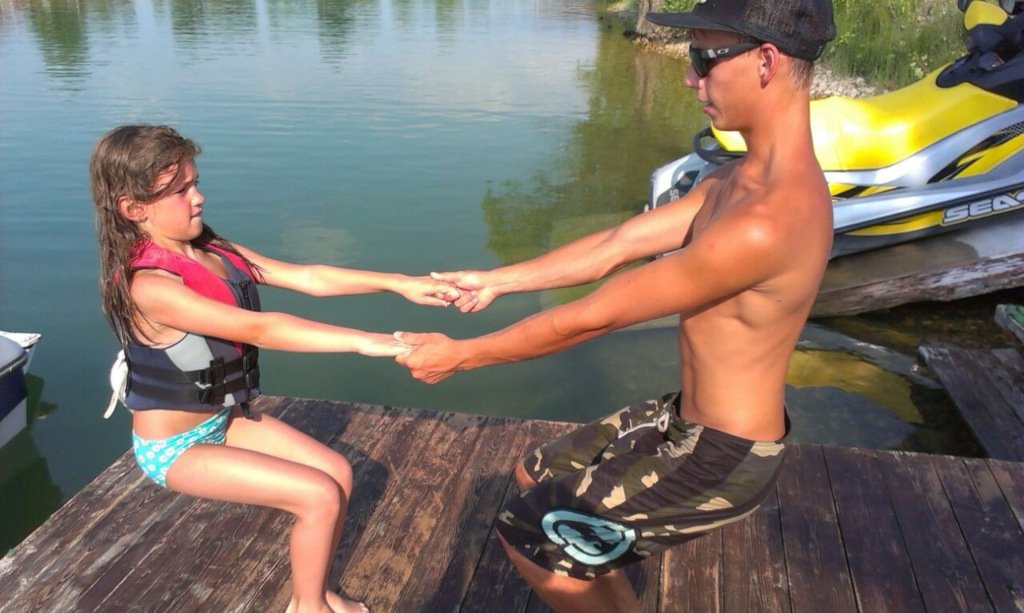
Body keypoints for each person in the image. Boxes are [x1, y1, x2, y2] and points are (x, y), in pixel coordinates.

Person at [395, 1, 836, 611]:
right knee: (536, 477)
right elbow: (617, 245)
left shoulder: (768, 220)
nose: (691, 78)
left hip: (725, 455)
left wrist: (460, 356)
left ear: (766, 61)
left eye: (704, 57)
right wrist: (497, 280)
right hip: (683, 418)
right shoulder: (735, 180)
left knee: (533, 539)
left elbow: (593, 316)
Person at [90, 124, 458, 613]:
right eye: (181, 191)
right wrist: (369, 342)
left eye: (196, 183)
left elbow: (308, 277)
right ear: (133, 209)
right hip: (174, 449)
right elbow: (263, 329)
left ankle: (315, 594)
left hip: (222, 421)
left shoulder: (213, 251)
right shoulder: (151, 287)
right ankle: (309, 609)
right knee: (318, 496)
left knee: (336, 473)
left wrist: (399, 283)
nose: (199, 198)